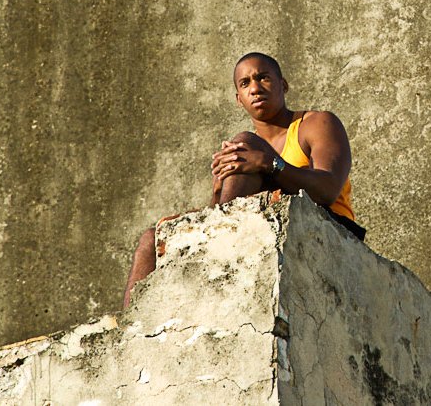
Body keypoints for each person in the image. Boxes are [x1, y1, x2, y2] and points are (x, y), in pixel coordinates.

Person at [122, 52, 362, 308]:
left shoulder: (315, 123)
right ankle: (127, 330)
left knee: (244, 144)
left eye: (263, 78)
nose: (255, 88)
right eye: (245, 84)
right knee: (151, 238)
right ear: (239, 99)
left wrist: (269, 164)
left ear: (283, 85)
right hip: (267, 225)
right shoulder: (244, 155)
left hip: (329, 227)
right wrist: (217, 191)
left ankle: (216, 248)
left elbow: (327, 189)